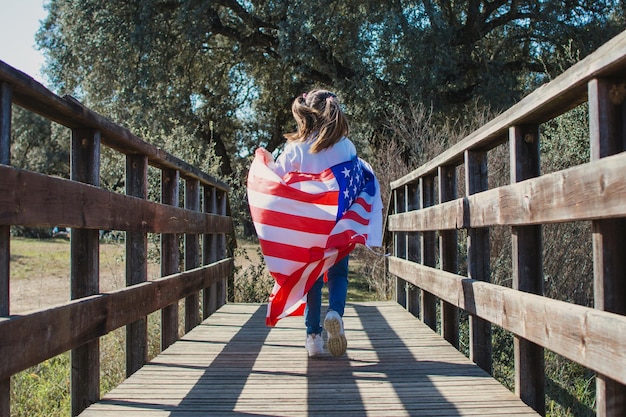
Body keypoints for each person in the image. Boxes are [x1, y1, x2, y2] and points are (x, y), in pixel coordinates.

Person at [270, 89, 373, 357]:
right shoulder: (346, 146)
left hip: (308, 229)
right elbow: (356, 180)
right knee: (338, 274)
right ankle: (336, 313)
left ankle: (313, 336)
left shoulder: (295, 148)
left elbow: (275, 179)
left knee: (313, 278)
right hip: (338, 225)